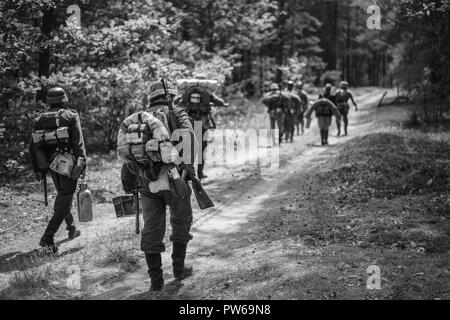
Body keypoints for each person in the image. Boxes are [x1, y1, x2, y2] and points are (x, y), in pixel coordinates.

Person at [119, 80, 197, 292]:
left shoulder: (140, 118)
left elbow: (128, 154)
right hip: (174, 177)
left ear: (150, 97)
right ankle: (179, 269)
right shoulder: (177, 113)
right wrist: (190, 170)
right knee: (181, 221)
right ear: (171, 95)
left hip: (146, 181)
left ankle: (156, 280)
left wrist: (129, 180)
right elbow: (189, 138)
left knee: (152, 228)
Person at [29, 87, 86, 254]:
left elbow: (32, 146)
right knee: (64, 198)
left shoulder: (38, 119)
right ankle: (48, 237)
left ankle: (71, 228)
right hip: (68, 164)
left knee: (63, 195)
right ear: (64, 99)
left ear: (48, 101)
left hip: (50, 165)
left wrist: (37, 169)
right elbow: (78, 143)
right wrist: (82, 165)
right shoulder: (70, 116)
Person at [175, 74, 228, 180]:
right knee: (201, 149)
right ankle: (199, 173)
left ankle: (184, 172)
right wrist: (224, 104)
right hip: (202, 123)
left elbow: (176, 101)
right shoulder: (206, 93)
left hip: (187, 122)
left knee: (185, 147)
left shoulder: (187, 91)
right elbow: (219, 102)